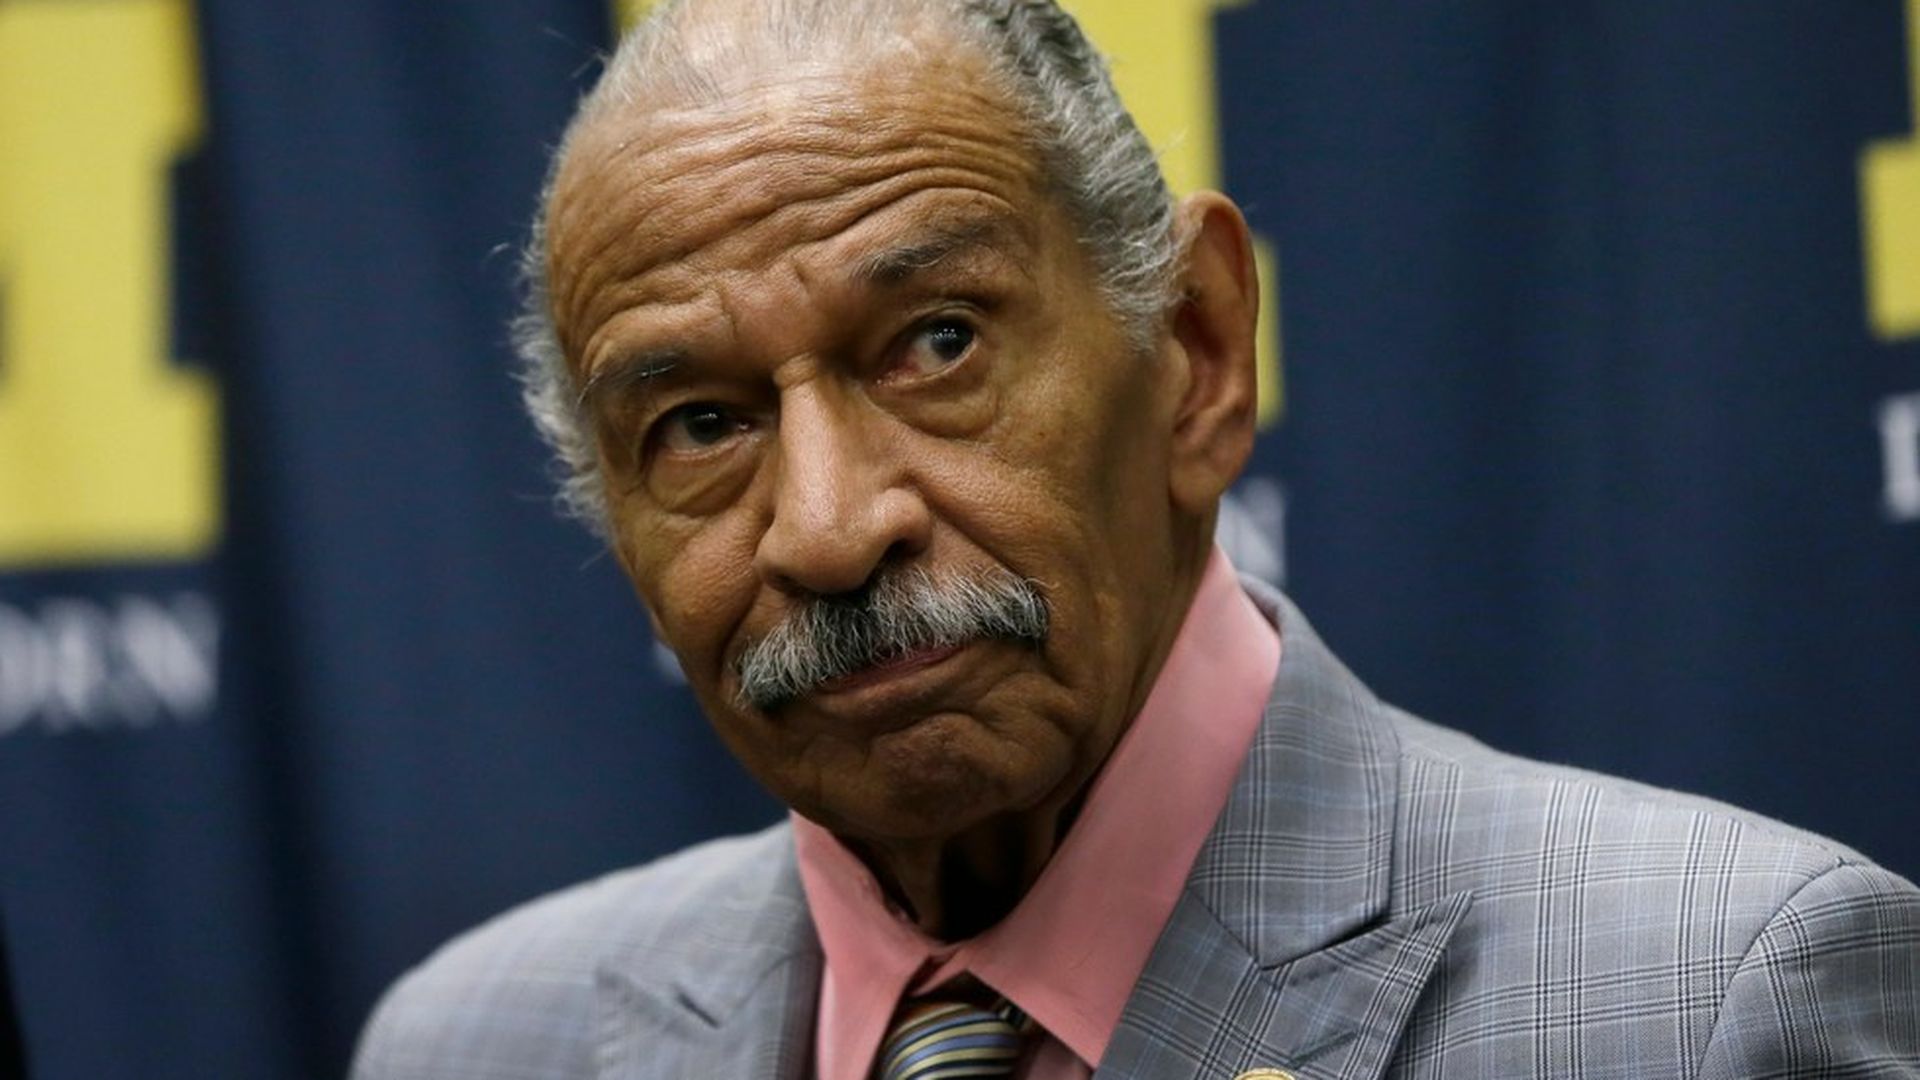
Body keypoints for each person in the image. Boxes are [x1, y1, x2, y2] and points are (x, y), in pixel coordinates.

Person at [353, 1, 1920, 1076]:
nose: (829, 531)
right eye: (701, 425)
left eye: (939, 344)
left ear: (1196, 351)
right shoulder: (477, 1046)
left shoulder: (1710, 1005)